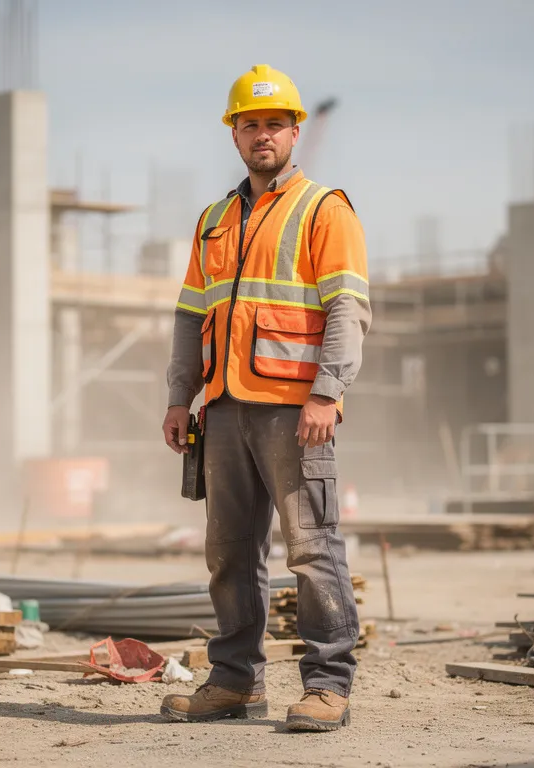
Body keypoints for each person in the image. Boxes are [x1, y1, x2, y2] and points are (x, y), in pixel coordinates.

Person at [159, 64, 371, 732]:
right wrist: (179, 396)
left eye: (274, 124)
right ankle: (234, 682)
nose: (262, 135)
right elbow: (191, 315)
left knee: (312, 550)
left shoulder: (323, 209)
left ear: (294, 130)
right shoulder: (214, 220)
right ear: (234, 135)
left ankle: (328, 685)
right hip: (222, 412)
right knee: (228, 553)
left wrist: (327, 393)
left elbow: (347, 309)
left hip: (293, 411)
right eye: (249, 124)